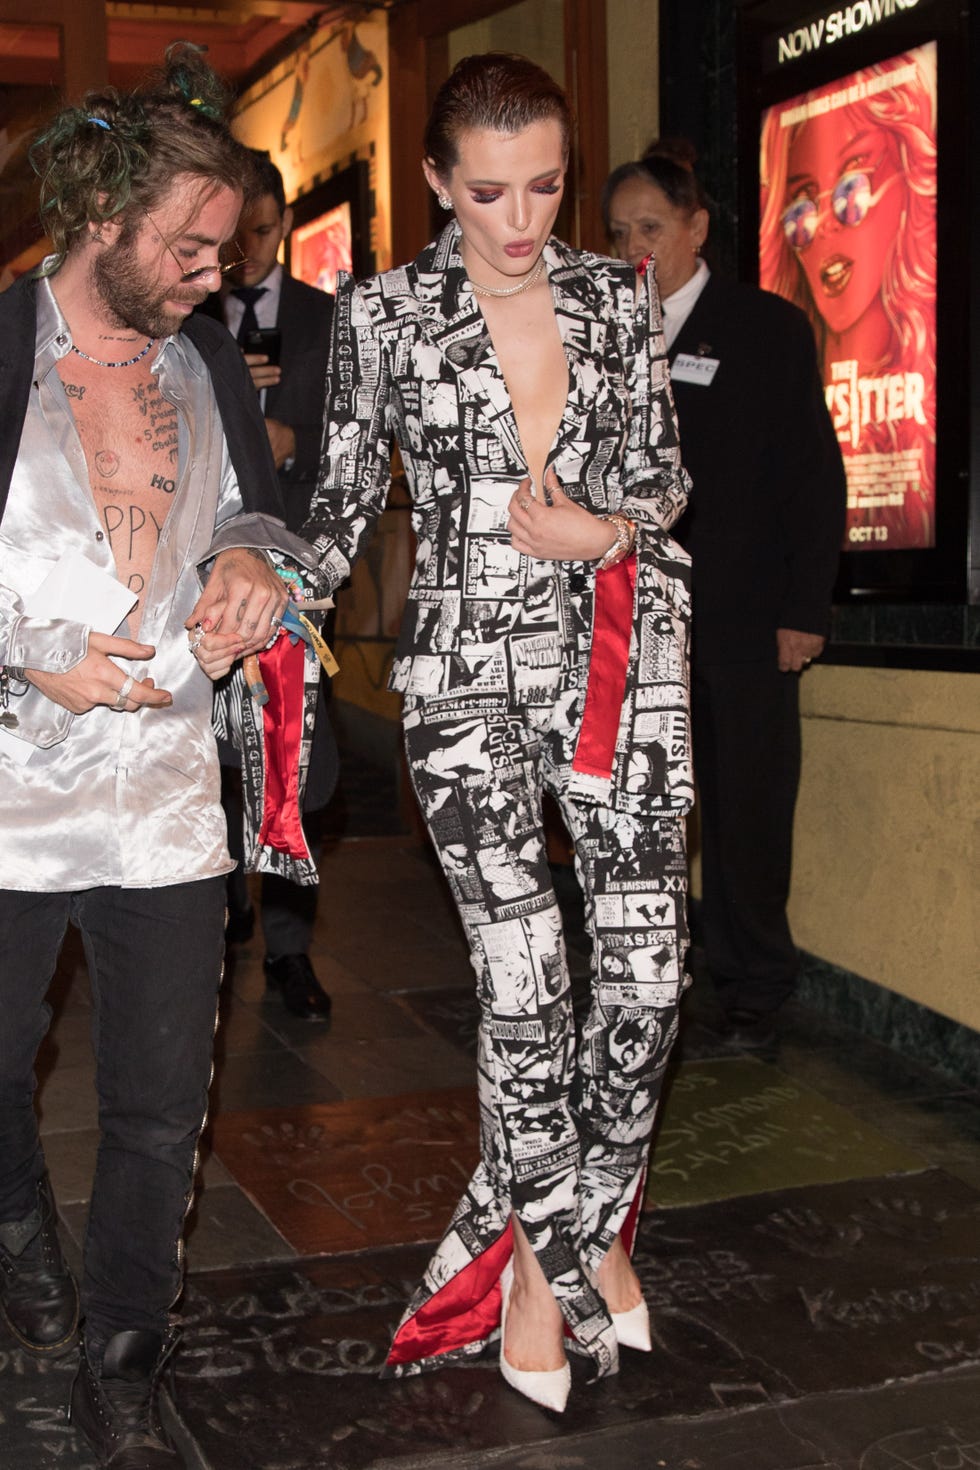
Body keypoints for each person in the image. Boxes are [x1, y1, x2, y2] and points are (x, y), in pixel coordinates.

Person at [304, 53, 693, 1412]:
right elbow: (340, 500)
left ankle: (593, 1220)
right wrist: (259, 582)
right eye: (488, 191)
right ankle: (542, 1261)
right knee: (528, 979)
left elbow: (661, 476)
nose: (521, 218)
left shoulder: (613, 293)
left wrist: (614, 530)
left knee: (646, 974)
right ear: (434, 182)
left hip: (617, 661)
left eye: (544, 185)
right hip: (466, 684)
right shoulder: (386, 316)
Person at [0, 45, 320, 1469]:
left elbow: (266, 514)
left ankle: (126, 1349)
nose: (212, 270)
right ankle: (21, 1230)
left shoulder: (206, 367)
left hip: (172, 798)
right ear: (102, 215)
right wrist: (19, 646)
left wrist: (258, 571)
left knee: (158, 1101)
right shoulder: (2, 347)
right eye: (187, 244)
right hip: (9, 790)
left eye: (225, 244)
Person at [603, 143, 845, 1046]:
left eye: (651, 228)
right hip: (634, 622)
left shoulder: (764, 328)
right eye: (620, 231)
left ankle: (754, 979)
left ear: (696, 229)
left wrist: (803, 609)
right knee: (649, 806)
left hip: (743, 618)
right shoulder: (604, 339)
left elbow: (814, 479)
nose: (635, 247)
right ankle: (656, 963)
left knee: (746, 800)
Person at [198, 149, 337, 1021]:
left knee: (295, 766)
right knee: (212, 763)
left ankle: (291, 953)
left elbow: (361, 442)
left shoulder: (330, 316)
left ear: (281, 221)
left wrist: (291, 437)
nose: (241, 247)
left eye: (256, 227)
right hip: (208, 574)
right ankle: (216, 919)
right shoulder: (190, 315)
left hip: (302, 574)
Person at [759, 47, 936, 550]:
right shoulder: (786, 344)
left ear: (910, 170)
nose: (825, 227)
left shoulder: (928, 372)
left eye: (852, 187)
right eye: (800, 205)